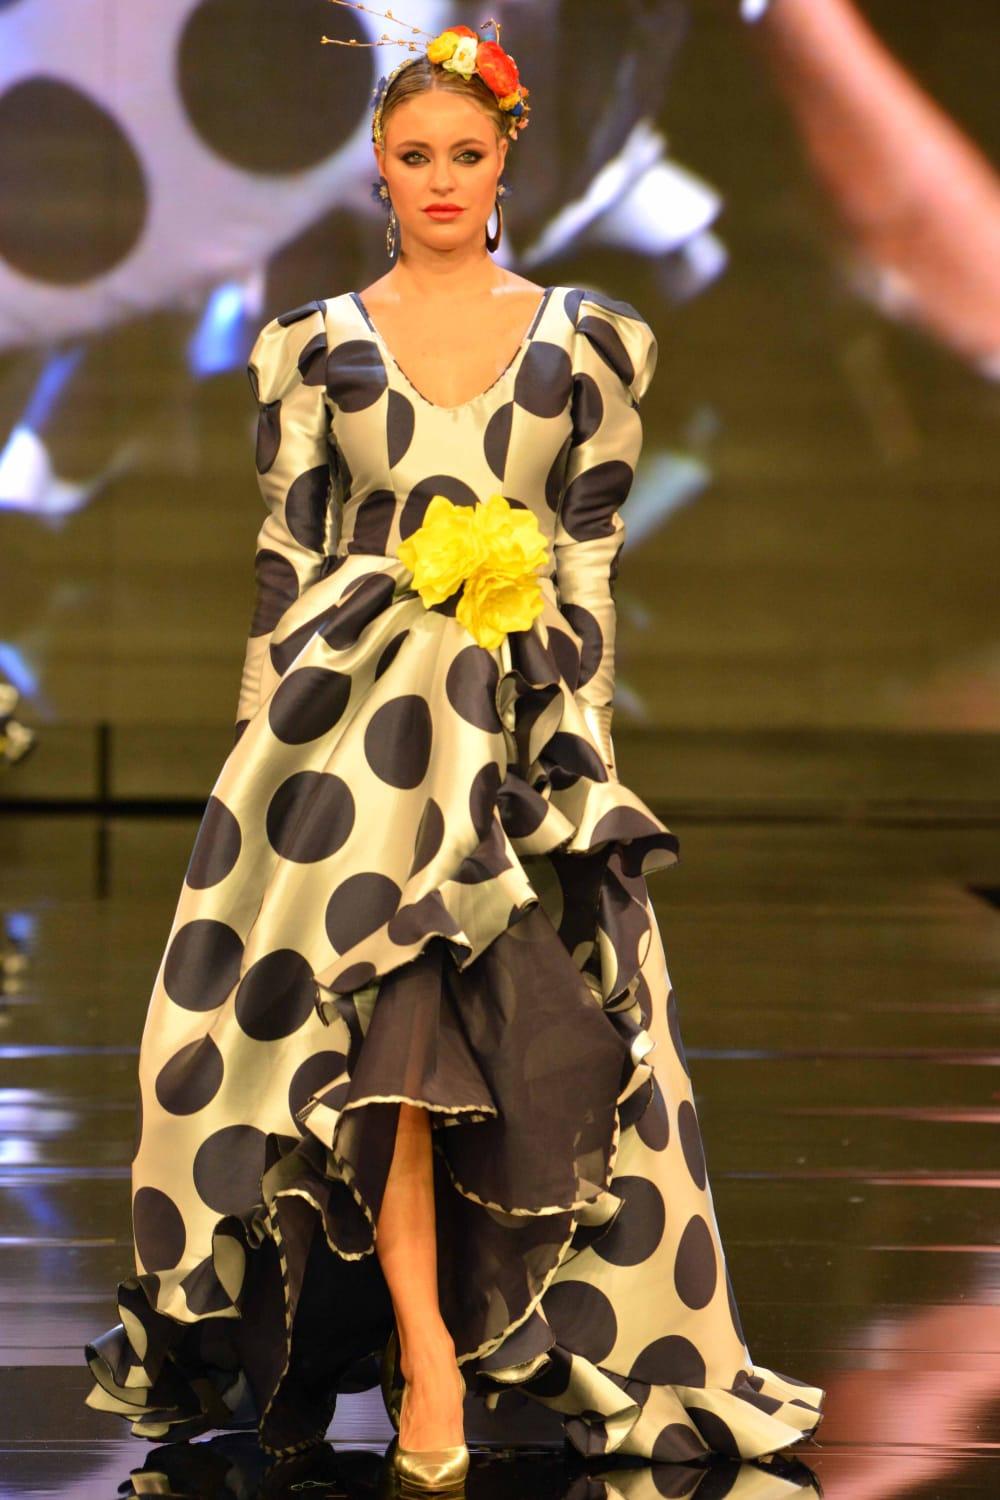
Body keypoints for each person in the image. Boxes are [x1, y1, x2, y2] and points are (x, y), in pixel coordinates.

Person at [83, 10, 826, 1479]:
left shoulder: (586, 343)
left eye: (464, 154)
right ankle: (426, 1362)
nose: (439, 180)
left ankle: (479, 1348)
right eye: (415, 154)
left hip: (513, 748)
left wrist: (587, 750)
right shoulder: (314, 348)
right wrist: (252, 764)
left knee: (524, 1047)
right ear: (378, 166)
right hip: (350, 750)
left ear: (505, 161)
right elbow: (288, 560)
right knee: (375, 1051)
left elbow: (588, 560)